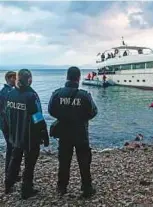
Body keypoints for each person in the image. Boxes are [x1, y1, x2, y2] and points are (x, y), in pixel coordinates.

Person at [48, 66, 98, 198]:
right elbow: (93, 112)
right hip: (80, 132)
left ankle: (61, 187)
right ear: (78, 78)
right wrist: (80, 117)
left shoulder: (57, 94)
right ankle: (87, 188)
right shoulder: (84, 95)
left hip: (64, 133)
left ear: (67, 77)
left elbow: (51, 111)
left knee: (64, 161)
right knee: (84, 161)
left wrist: (64, 116)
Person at [3, 69, 49, 199]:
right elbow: (38, 116)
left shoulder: (10, 94)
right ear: (28, 79)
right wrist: (44, 133)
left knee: (15, 159)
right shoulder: (31, 95)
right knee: (29, 164)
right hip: (30, 136)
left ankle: (8, 184)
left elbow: (6, 115)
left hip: (15, 135)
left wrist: (9, 131)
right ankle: (26, 189)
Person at [0, 71, 18, 178]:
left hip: (4, 124)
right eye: (14, 78)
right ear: (9, 78)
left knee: (11, 147)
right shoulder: (7, 92)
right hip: (8, 125)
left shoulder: (6, 91)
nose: (16, 80)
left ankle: (11, 172)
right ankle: (9, 173)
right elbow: (6, 111)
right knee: (11, 148)